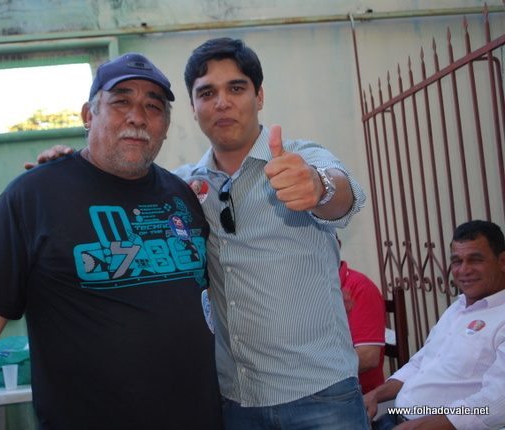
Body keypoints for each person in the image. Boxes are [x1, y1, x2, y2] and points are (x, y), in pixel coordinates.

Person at [30, 38, 370, 429]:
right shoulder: (180, 190)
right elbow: (116, 185)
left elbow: (344, 195)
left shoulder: (300, 159)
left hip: (321, 397)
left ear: (259, 96)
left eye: (236, 88)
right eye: (207, 93)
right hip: (234, 402)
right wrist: (71, 167)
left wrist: (317, 186)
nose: (222, 103)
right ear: (192, 108)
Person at [0, 53, 223, 430]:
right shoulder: (34, 196)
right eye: (121, 101)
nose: (138, 117)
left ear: (165, 125)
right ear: (88, 115)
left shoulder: (181, 196)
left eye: (154, 106)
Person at [364, 219, 505, 430]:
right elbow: (421, 362)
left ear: (502, 261)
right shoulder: (458, 308)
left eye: (475, 260)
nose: (464, 270)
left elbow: (496, 403)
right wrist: (375, 395)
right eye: (456, 261)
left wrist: (420, 426)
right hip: (395, 417)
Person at [338, 236, 386, 394]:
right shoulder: (309, 288)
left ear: (336, 246)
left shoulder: (360, 287)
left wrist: (312, 372)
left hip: (358, 395)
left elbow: (368, 357)